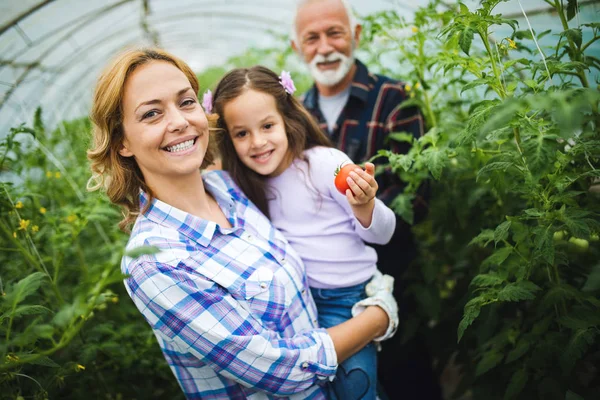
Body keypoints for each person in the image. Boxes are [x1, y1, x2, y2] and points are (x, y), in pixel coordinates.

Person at [86, 47, 397, 400]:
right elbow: (284, 371)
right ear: (122, 141)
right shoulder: (156, 262)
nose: (178, 122)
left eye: (186, 102)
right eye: (152, 113)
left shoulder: (229, 188)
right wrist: (377, 318)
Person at [211, 65, 397, 400]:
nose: (258, 142)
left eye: (267, 126)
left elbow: (383, 235)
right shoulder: (245, 185)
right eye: (241, 133)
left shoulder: (324, 165)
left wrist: (365, 205)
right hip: (301, 305)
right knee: (327, 387)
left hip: (349, 298)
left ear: (287, 119)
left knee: (356, 384)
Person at [291, 1, 441, 399]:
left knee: (406, 371)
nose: (325, 47)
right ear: (297, 48)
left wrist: (347, 225)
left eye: (334, 33)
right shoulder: (296, 114)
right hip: (324, 286)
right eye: (312, 38)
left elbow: (416, 191)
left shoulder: (393, 97)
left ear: (355, 35)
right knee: (351, 382)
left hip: (391, 269)